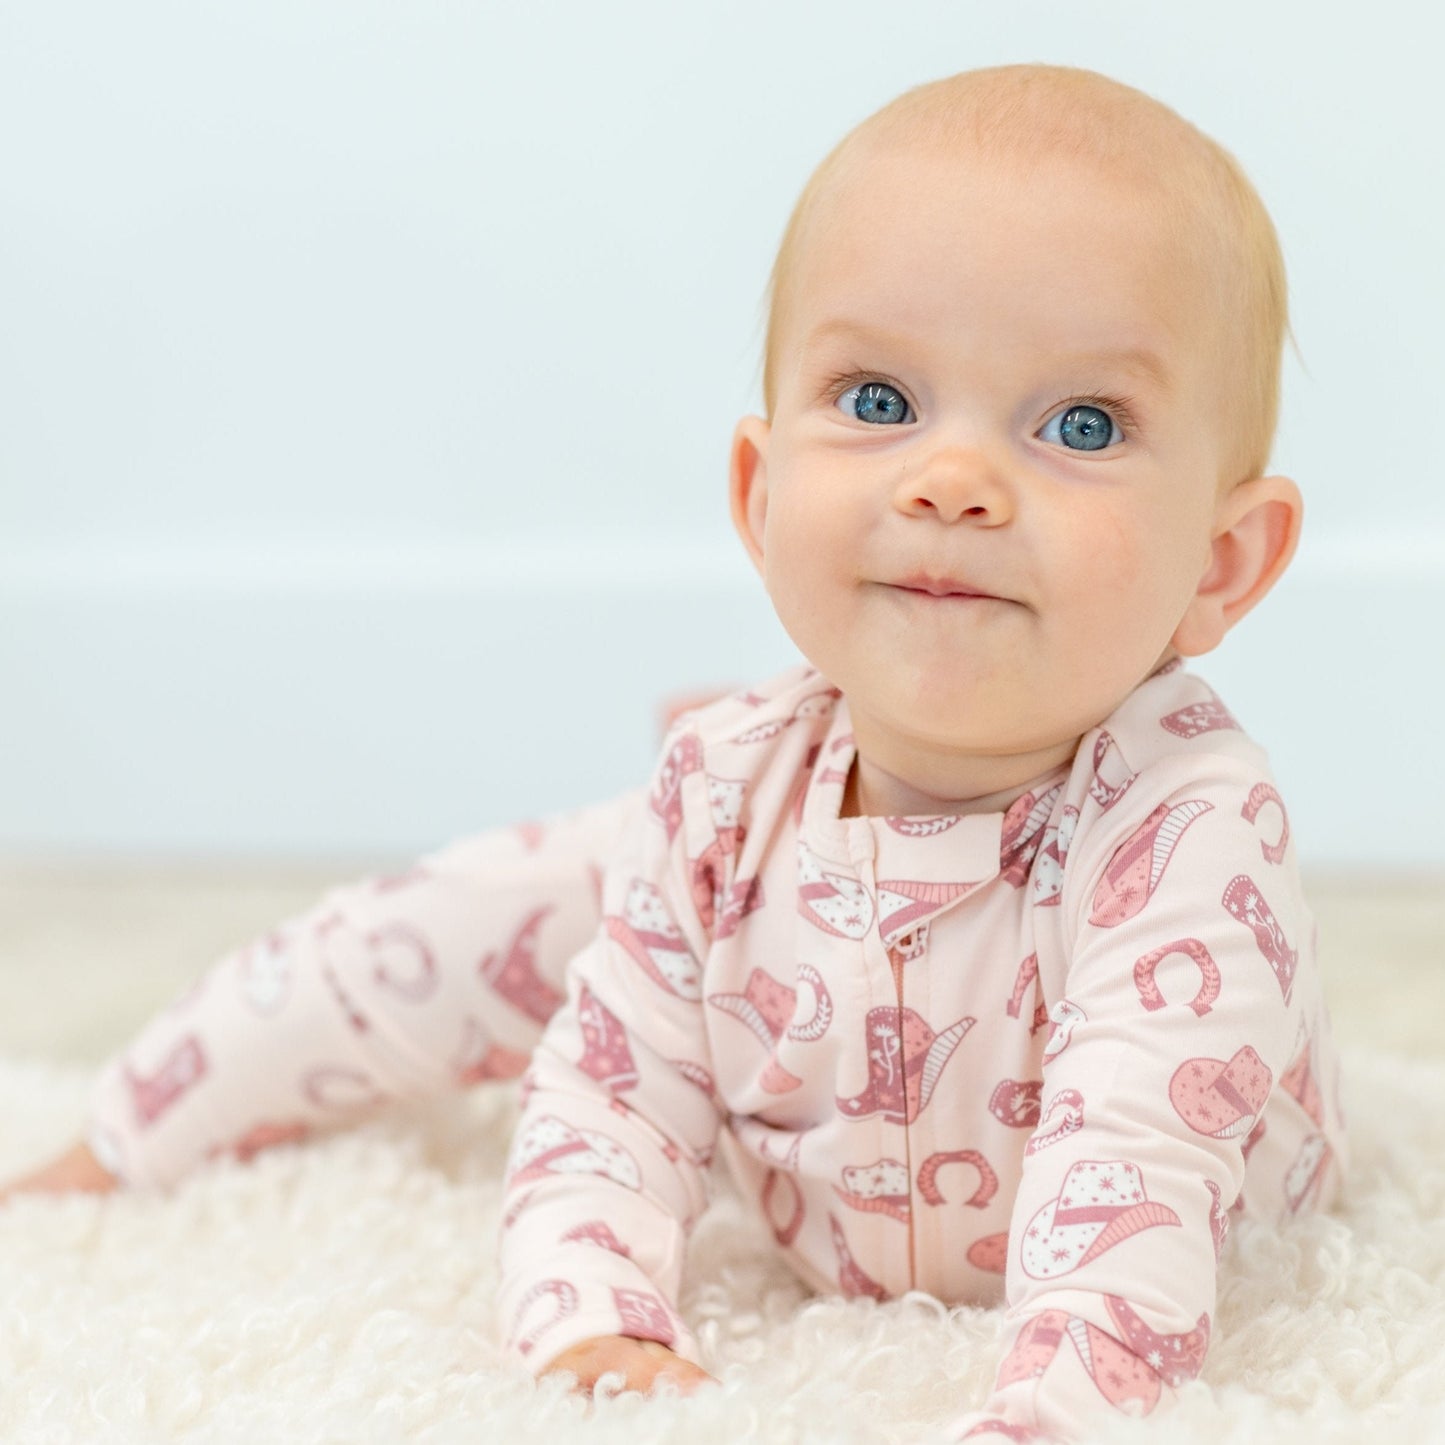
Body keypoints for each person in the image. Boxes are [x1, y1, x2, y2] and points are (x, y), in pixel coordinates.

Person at [1, 64, 1348, 1443]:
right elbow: (606, 1090)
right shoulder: (718, 794)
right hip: (770, 862)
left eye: (1078, 425)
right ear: (760, 498)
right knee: (450, 929)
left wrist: (1049, 1408)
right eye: (878, 400)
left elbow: (1131, 1164)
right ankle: (132, 1123)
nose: (950, 480)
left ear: (1221, 562)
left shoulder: (1185, 828)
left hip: (1132, 1152)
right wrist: (590, 1310)